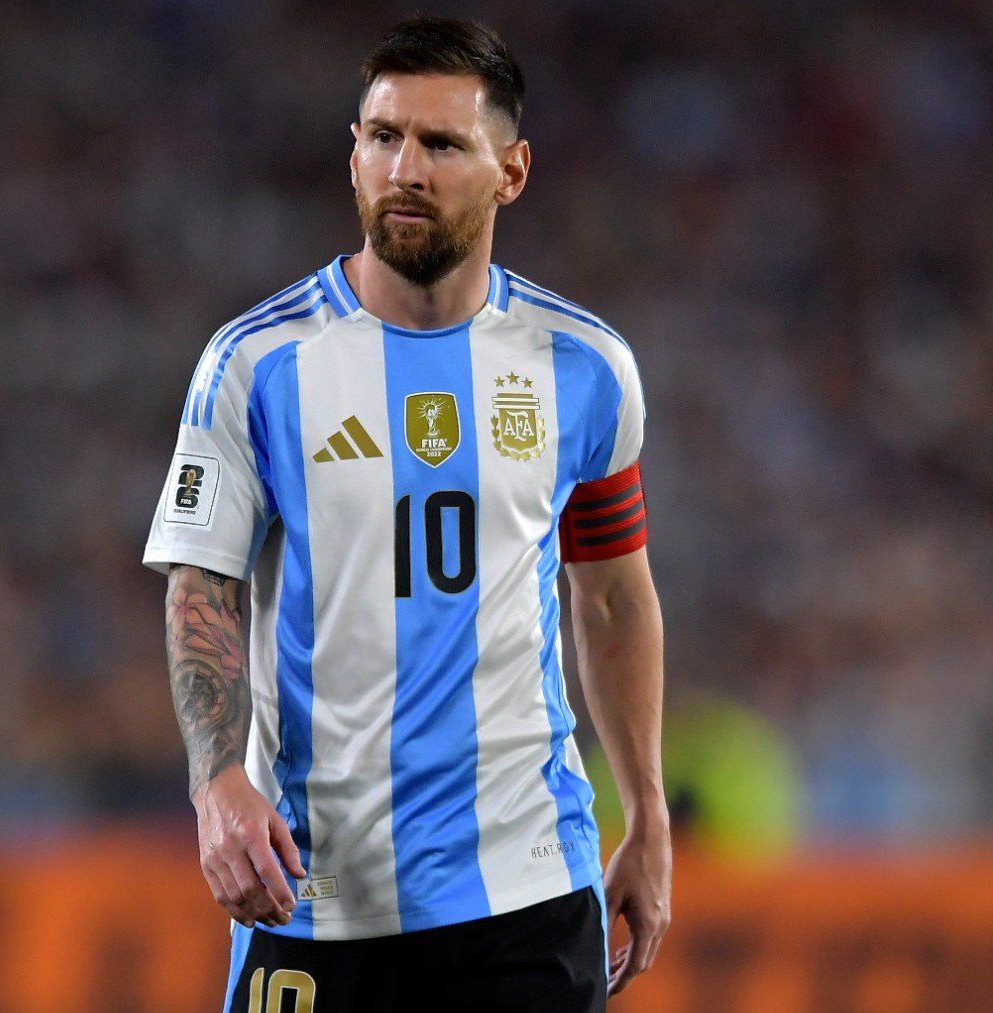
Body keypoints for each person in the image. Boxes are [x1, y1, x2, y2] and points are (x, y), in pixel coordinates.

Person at [143, 17, 669, 1011]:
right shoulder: (255, 364)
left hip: (526, 882)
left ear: (510, 171)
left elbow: (612, 596)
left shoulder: (586, 366)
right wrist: (216, 783)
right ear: (352, 152)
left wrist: (646, 811)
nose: (405, 168)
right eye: (382, 137)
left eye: (441, 144)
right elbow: (201, 582)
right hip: (316, 885)